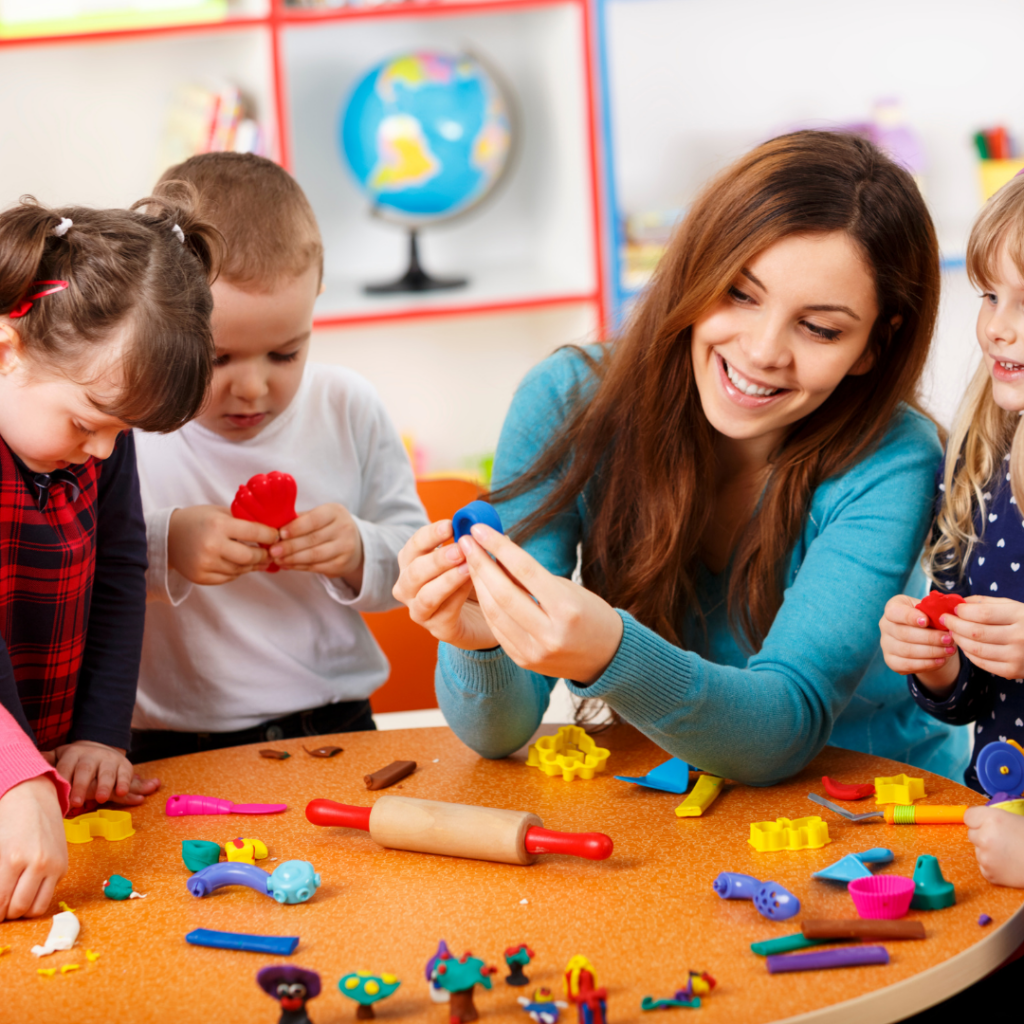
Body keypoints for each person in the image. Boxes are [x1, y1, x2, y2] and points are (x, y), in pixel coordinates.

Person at [395, 130, 968, 784]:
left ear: (872, 346)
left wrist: (610, 649)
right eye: (740, 293)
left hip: (881, 807)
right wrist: (480, 641)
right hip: (681, 807)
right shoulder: (567, 402)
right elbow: (498, 734)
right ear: (697, 269)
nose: (762, 351)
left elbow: (784, 728)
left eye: (820, 328)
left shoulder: (892, 457)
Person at [130, 153, 426, 762]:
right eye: (217, 359)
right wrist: (168, 544)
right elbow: (81, 575)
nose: (253, 389)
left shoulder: (347, 405)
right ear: (160, 313)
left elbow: (418, 565)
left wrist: (360, 550)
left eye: (285, 354)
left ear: (315, 297)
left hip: (334, 725)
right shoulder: (124, 424)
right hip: (172, 744)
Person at [0, 191, 218, 917]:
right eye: (88, 422)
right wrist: (14, 770)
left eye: (122, 432)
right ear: (8, 350)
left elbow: (121, 569)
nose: (102, 449)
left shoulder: (100, 441)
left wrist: (99, 730)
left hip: (45, 771)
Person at [880, 173, 1024, 887]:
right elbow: (969, 697)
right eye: (992, 295)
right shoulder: (978, 464)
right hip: (993, 830)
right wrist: (934, 659)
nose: (999, 326)